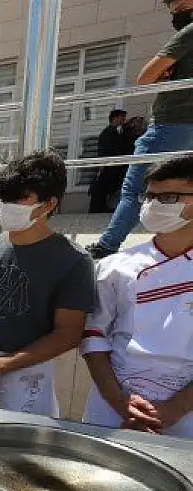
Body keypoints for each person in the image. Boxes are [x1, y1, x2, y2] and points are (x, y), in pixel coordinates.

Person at [0, 151, 95, 417]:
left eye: (19, 199)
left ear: (49, 204)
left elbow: (67, 334)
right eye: (3, 199)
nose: (6, 206)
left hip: (25, 378)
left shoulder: (73, 261)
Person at [82, 155, 193, 437]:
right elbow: (93, 336)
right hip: (113, 403)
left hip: (184, 413)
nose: (153, 205)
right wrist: (121, 403)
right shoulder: (115, 266)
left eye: (168, 197)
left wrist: (173, 409)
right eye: (149, 196)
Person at [88, 0, 193, 258]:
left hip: (171, 122)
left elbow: (145, 77)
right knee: (182, 188)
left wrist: (166, 74)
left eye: (177, 5)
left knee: (135, 190)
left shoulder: (189, 32)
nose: (174, 12)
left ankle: (107, 245)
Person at [88, 109, 133, 214]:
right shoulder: (108, 132)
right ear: (115, 118)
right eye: (122, 118)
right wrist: (103, 164)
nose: (123, 120)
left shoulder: (117, 131)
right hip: (109, 165)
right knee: (102, 187)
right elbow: (104, 149)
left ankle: (102, 206)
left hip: (113, 165)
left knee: (108, 187)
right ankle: (97, 208)